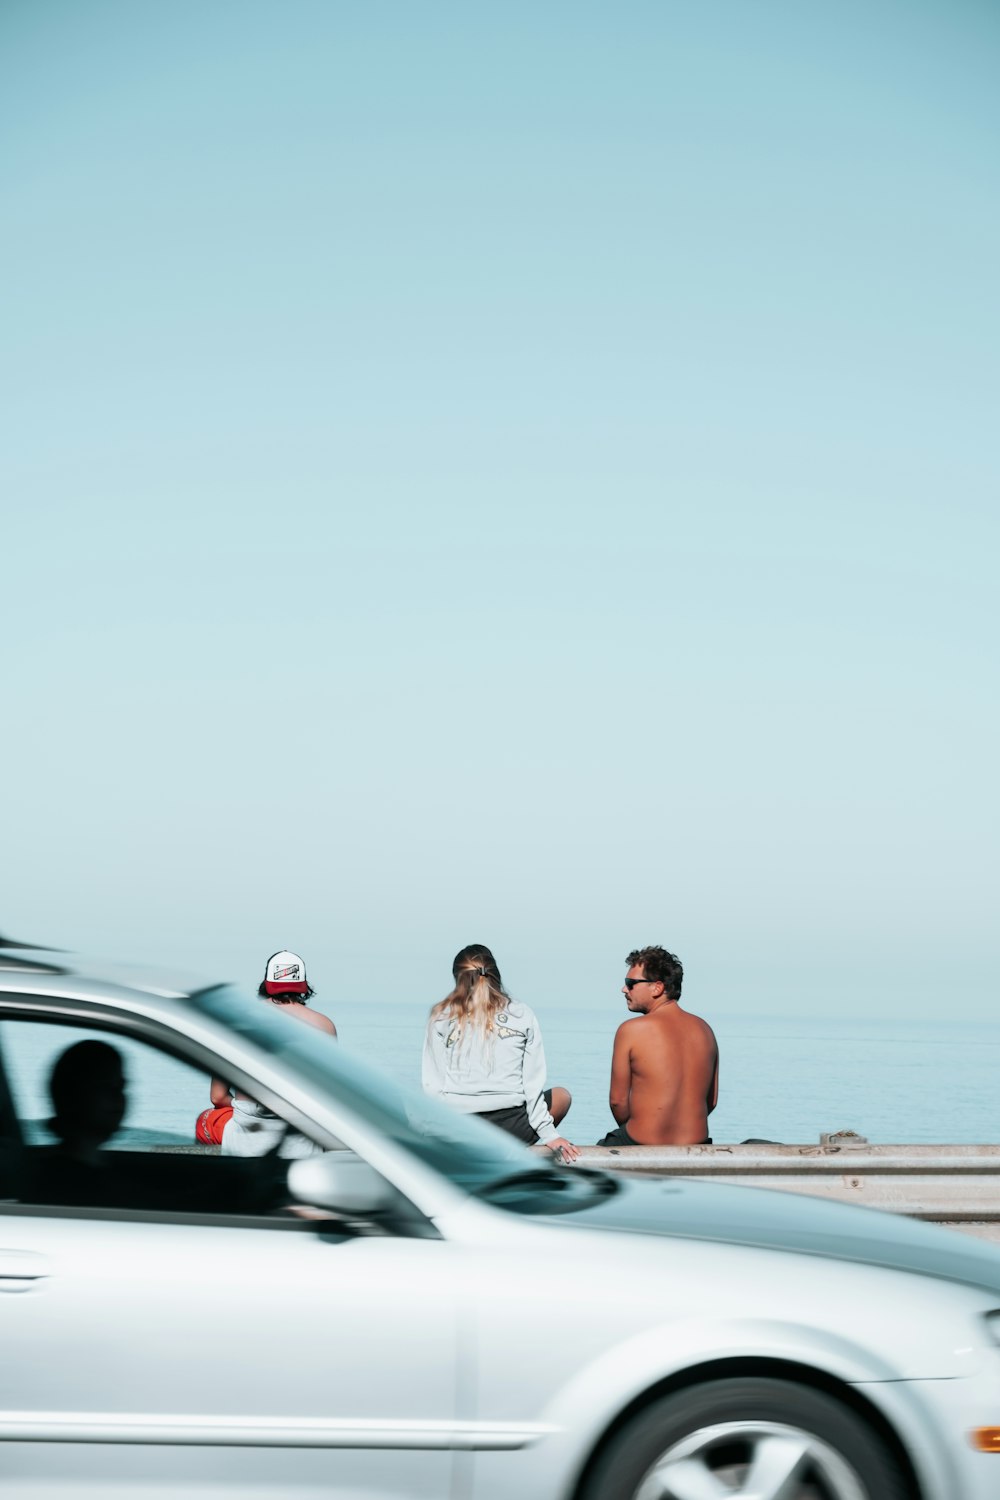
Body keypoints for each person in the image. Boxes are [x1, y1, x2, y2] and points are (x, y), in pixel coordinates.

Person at [422, 944, 580, 1161]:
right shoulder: (521, 1013)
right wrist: (550, 1135)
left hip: (458, 1130)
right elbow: (532, 1084)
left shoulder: (440, 1016)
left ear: (457, 978)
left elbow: (433, 1085)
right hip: (510, 1130)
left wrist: (431, 1134)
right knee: (561, 1096)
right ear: (496, 975)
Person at [200, 949, 336, 1156]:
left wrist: (250, 1105)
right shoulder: (324, 1025)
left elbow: (218, 1098)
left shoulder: (236, 1021)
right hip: (302, 1136)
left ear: (267, 983)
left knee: (206, 1120)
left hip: (247, 1137)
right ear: (303, 985)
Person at [597, 945, 718, 1147]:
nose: (624, 989)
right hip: (697, 1145)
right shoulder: (705, 1030)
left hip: (640, 1143)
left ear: (657, 987)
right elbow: (710, 1101)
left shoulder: (631, 1030)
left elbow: (618, 1101)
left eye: (631, 983)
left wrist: (641, 1128)